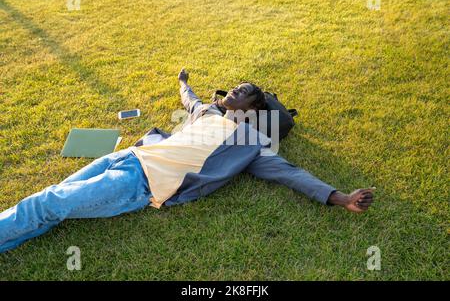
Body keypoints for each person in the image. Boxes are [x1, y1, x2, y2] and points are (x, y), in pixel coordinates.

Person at [0, 68, 375, 253]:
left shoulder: (251, 144)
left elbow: (291, 174)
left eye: (245, 91)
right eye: (237, 85)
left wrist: (339, 197)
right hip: (128, 156)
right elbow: (189, 99)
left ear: (255, 109)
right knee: (54, 200)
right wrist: (182, 80)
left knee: (49, 201)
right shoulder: (207, 113)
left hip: (140, 184)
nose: (236, 88)